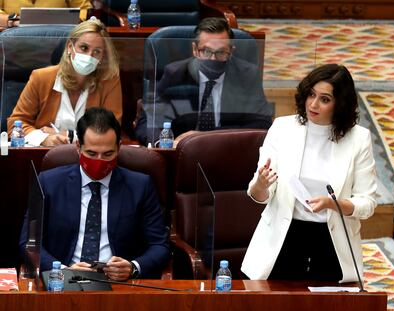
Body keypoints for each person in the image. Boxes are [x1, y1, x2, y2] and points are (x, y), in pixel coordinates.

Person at [241, 64, 377, 282]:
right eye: (311, 95)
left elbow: (367, 204)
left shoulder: (359, 139)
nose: (313, 104)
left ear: (339, 104)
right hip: (284, 236)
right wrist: (261, 184)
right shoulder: (282, 128)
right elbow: (259, 196)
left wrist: (332, 204)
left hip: (332, 241)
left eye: (325, 99)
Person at [20, 107, 170, 280]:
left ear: (119, 148)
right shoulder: (49, 183)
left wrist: (133, 267)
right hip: (64, 282)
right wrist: (61, 270)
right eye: (91, 153)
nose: (99, 160)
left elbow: (160, 245)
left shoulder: (140, 186)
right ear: (78, 147)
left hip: (119, 284)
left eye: (108, 154)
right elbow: (28, 243)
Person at [135, 17, 273, 145]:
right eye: (206, 51)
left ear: (231, 51)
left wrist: (204, 137)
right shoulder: (175, 73)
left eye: (221, 52)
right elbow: (148, 120)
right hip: (184, 153)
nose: (213, 59)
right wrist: (164, 144)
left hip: (229, 148)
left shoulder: (247, 75)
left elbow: (262, 123)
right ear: (195, 50)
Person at [7, 17, 122, 147]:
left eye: (97, 52)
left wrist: (68, 135)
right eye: (84, 48)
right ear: (69, 47)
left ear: (102, 57)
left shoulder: (108, 81)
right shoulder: (41, 77)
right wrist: (44, 138)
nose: (89, 56)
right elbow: (16, 123)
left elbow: (111, 130)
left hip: (89, 157)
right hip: (45, 154)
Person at [0, 0, 92, 28]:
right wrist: (14, 21)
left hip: (59, 41)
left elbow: (84, 9)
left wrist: (74, 20)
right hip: (11, 42)